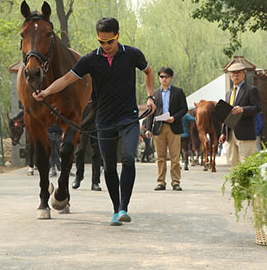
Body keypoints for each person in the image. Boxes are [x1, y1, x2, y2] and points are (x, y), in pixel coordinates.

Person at [33, 17, 156, 226]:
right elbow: (66, 79)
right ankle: (116, 209)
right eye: (101, 42)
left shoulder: (132, 54)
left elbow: (149, 72)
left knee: (127, 157)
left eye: (110, 41)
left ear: (118, 36)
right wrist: (45, 92)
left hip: (128, 116)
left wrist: (150, 96)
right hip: (104, 119)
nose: (106, 46)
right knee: (108, 166)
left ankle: (124, 207)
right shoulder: (90, 60)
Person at [144, 67, 188, 191]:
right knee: (160, 157)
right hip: (159, 128)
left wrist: (174, 117)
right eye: (161, 77)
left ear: (171, 78)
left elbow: (184, 109)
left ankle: (175, 182)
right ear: (159, 78)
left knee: (175, 157)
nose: (164, 79)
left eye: (166, 77)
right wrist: (148, 129)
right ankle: (161, 182)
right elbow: (150, 113)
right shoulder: (154, 94)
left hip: (173, 127)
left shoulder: (178, 92)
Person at [219, 63, 261, 167]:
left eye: (238, 72)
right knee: (234, 163)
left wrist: (243, 109)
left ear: (244, 74)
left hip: (245, 133)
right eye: (233, 73)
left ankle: (246, 184)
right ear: (229, 75)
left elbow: (257, 108)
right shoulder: (228, 94)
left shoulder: (251, 90)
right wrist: (224, 132)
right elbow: (227, 114)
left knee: (246, 163)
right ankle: (237, 183)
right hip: (230, 134)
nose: (235, 75)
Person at [72, 100, 102, 191]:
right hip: (82, 128)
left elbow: (95, 110)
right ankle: (78, 176)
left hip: (94, 126)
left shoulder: (95, 92)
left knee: (96, 153)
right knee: (79, 151)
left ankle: (95, 181)